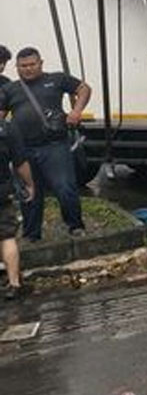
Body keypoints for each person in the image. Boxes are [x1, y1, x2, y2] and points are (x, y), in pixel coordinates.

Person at [0, 48, 91, 239]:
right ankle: (32, 235)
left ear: (41, 63)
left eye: (32, 64)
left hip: (54, 145)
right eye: (23, 66)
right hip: (23, 150)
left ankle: (75, 226)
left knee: (65, 187)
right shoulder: (10, 89)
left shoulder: (56, 79)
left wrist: (76, 111)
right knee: (29, 194)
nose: (28, 69)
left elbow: (84, 89)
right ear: (16, 67)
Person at [0, 119, 35, 300]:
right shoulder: (6, 128)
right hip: (2, 192)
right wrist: (29, 184)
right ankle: (14, 284)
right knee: (6, 237)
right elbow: (20, 162)